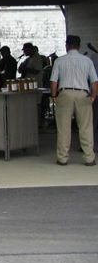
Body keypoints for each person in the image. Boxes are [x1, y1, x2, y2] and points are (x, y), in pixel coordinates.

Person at [49, 35, 97, 166]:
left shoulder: (60, 61)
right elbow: (94, 81)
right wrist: (92, 97)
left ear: (67, 45)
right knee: (86, 127)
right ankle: (89, 158)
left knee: (64, 128)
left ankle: (63, 158)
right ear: (79, 46)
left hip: (65, 93)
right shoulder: (87, 61)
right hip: (83, 94)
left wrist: (54, 96)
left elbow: (53, 81)